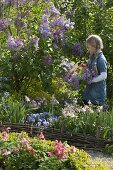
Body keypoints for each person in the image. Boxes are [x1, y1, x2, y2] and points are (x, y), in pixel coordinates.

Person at [83, 35, 107, 107]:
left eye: (89, 47)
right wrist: (83, 68)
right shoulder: (92, 56)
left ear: (94, 46)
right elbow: (89, 67)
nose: (88, 49)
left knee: (95, 115)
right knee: (87, 113)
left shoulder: (101, 59)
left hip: (97, 94)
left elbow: (104, 75)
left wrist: (92, 80)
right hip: (89, 93)